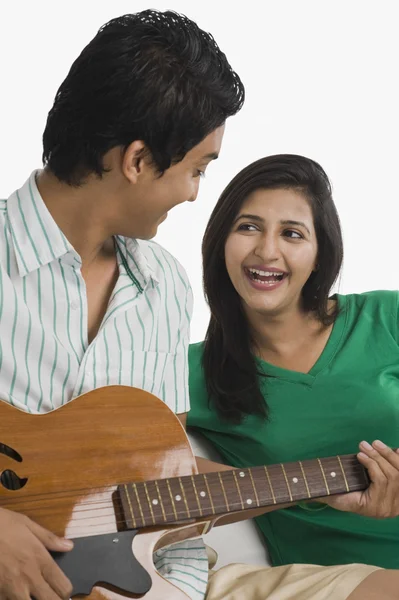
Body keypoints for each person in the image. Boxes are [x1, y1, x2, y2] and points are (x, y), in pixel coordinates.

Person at [0, 9, 244, 600]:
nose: (193, 193)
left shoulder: (167, 288)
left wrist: (322, 482)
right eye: (197, 170)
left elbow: (160, 481)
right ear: (137, 161)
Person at [188, 154, 399, 598]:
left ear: (321, 251)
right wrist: (313, 488)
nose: (267, 251)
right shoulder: (189, 372)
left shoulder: (387, 318)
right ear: (220, 241)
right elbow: (140, 469)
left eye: (292, 233)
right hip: (336, 581)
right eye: (248, 227)